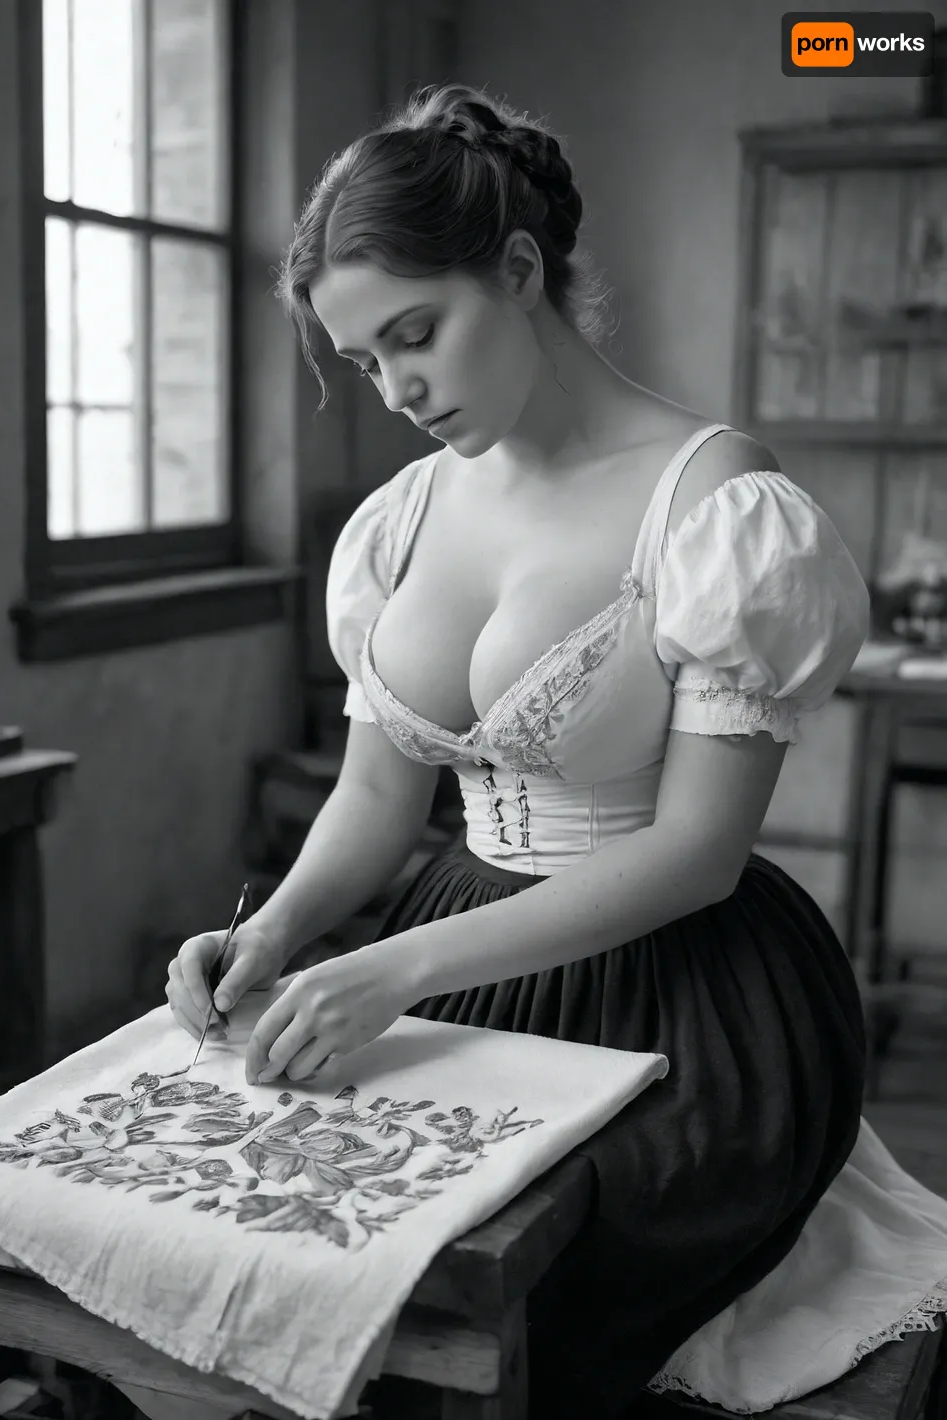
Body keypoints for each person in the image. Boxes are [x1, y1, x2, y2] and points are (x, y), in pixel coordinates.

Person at [160, 84, 945, 1420]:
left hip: (674, 992)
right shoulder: (399, 522)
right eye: (363, 364)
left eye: (416, 336)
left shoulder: (713, 507)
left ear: (519, 271)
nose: (398, 391)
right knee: (271, 1216)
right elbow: (373, 790)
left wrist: (387, 968)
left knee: (529, 1277)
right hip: (448, 958)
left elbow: (698, 855)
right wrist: (278, 933)